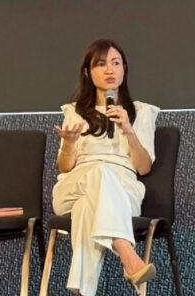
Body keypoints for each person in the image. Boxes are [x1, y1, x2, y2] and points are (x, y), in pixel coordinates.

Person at [52, 38, 160, 296]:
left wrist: (128, 129)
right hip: (74, 185)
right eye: (101, 64)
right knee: (97, 171)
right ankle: (126, 251)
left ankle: (82, 291)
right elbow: (65, 167)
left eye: (115, 63)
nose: (110, 70)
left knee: (85, 209)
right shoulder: (74, 112)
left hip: (122, 192)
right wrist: (69, 143)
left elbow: (143, 168)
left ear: (124, 69)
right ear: (88, 72)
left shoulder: (141, 112)